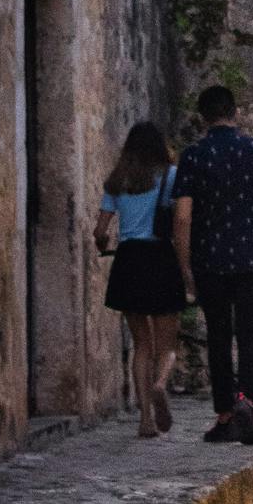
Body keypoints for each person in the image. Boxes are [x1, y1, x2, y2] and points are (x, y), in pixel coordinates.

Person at [171, 84, 253, 446]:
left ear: (203, 117)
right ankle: (246, 402)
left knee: (219, 336)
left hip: (211, 259)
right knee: (250, 334)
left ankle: (224, 416)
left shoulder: (194, 156)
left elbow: (184, 216)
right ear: (235, 113)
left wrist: (185, 262)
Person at [93, 121, 184, 439]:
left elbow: (100, 232)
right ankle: (160, 384)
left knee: (141, 345)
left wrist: (104, 246)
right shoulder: (171, 177)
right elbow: (182, 219)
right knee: (166, 345)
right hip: (160, 258)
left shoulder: (118, 181)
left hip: (129, 261)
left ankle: (145, 419)